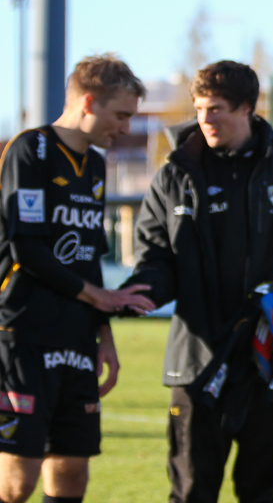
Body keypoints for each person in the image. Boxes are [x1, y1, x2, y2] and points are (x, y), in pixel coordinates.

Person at [123, 60, 273, 502]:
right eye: (199, 109)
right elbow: (155, 254)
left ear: (248, 107)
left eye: (216, 109)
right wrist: (145, 292)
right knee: (191, 490)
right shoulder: (175, 174)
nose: (205, 120)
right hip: (197, 361)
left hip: (270, 359)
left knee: (261, 490)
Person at [0, 54, 155, 503]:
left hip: (76, 337)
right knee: (17, 481)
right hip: (23, 334)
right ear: (89, 101)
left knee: (72, 472)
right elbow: (25, 246)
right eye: (121, 115)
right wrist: (98, 296)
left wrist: (102, 334)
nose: (125, 128)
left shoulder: (96, 166)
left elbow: (88, 255)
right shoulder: (32, 150)